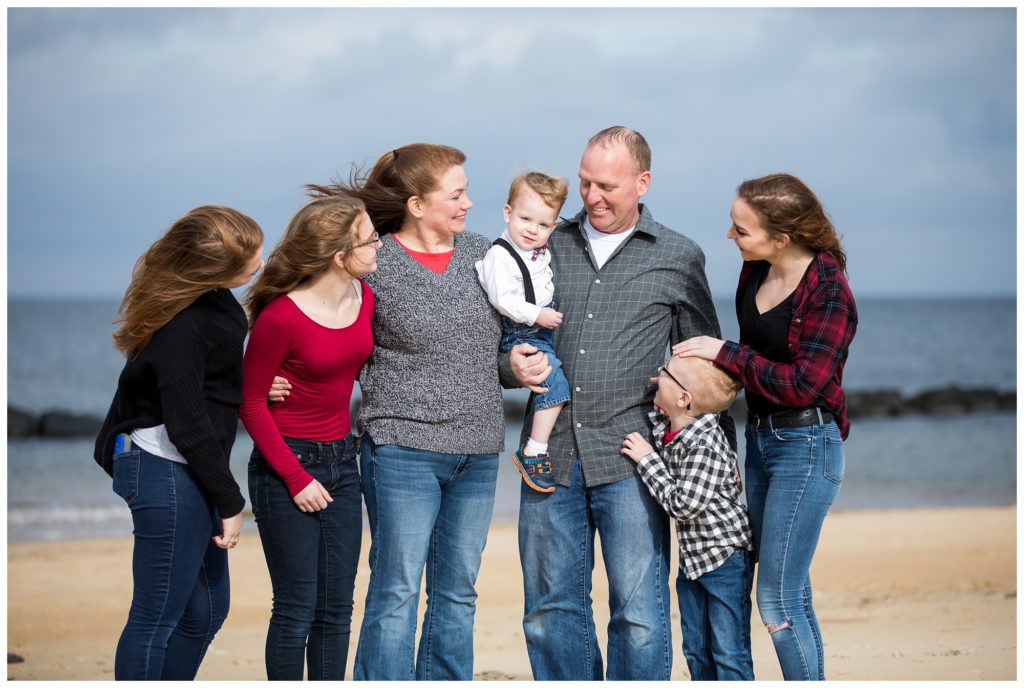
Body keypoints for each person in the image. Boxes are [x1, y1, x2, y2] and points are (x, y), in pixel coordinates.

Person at [504, 126, 731, 680]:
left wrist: (705, 462)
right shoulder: (545, 245)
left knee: (639, 617)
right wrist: (508, 368)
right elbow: (504, 341)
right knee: (548, 611)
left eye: (606, 184)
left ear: (642, 182)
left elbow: (703, 373)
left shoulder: (679, 256)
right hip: (548, 458)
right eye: (584, 183)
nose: (591, 196)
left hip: (633, 460)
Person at [273, 144, 504, 680]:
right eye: (456, 193)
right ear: (416, 204)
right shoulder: (373, 261)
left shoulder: (485, 254)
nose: (469, 202)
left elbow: (490, 348)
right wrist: (277, 375)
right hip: (401, 450)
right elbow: (302, 310)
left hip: (479, 450)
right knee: (396, 587)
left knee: (457, 591)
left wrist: (517, 364)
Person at [673, 172, 857, 680]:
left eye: (742, 230)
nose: (731, 238)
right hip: (759, 440)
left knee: (775, 601)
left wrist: (724, 353)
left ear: (783, 236)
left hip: (807, 444)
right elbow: (759, 360)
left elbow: (803, 385)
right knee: (789, 591)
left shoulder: (829, 290)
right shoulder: (754, 270)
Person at [94, 206, 264, 680]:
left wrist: (246, 383)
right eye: (249, 253)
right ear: (212, 267)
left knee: (205, 612)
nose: (260, 258)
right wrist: (231, 501)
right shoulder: (182, 322)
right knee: (156, 618)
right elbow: (186, 420)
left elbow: (206, 375)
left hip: (185, 465)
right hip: (164, 464)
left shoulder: (213, 296)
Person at [239, 195, 380, 680]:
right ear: (340, 255)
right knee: (296, 607)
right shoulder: (281, 316)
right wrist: (297, 478)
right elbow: (252, 404)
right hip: (287, 467)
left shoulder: (367, 299)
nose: (379, 245)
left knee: (337, 607)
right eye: (369, 239)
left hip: (344, 463)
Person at [621, 356, 754, 681]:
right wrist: (665, 388)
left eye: (664, 373)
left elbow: (683, 505)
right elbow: (658, 419)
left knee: (729, 652)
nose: (657, 376)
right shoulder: (674, 428)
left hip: (725, 561)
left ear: (683, 399)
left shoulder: (705, 444)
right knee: (696, 650)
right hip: (695, 562)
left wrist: (647, 460)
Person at [475, 171, 570, 493]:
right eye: (525, 219)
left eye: (543, 225)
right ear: (507, 213)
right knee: (555, 385)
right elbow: (503, 300)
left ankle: (536, 446)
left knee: (555, 381)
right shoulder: (500, 254)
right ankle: (534, 449)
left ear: (553, 227)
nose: (533, 229)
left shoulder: (537, 250)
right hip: (523, 330)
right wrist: (537, 314)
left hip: (539, 327)